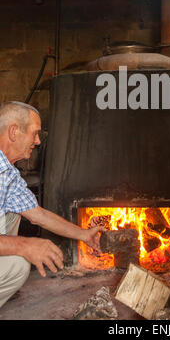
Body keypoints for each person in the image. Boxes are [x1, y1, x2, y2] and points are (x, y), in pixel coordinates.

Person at [0, 101, 104, 308]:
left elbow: (38, 214)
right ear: (14, 132)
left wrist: (83, 234)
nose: (38, 141)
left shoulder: (8, 172)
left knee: (14, 213)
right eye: (35, 133)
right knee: (19, 264)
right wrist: (25, 245)